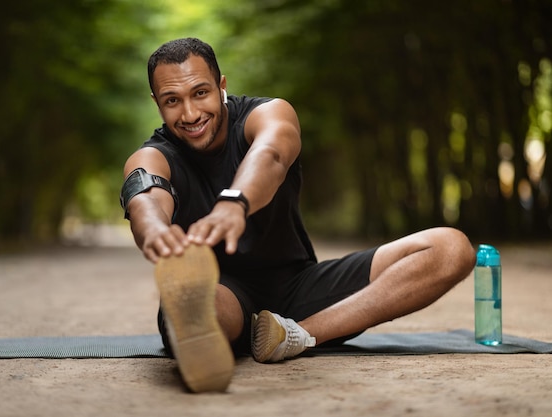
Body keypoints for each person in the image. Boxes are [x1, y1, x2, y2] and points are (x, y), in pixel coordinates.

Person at [121, 37, 476, 393]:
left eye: (200, 93)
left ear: (222, 86)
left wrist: (234, 203)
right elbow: (145, 197)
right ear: (157, 103)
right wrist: (153, 229)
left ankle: (296, 336)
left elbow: (271, 154)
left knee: (450, 248)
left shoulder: (267, 114)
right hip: (220, 293)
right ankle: (196, 329)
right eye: (172, 101)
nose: (190, 113)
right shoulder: (153, 155)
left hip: (299, 290)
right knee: (199, 304)